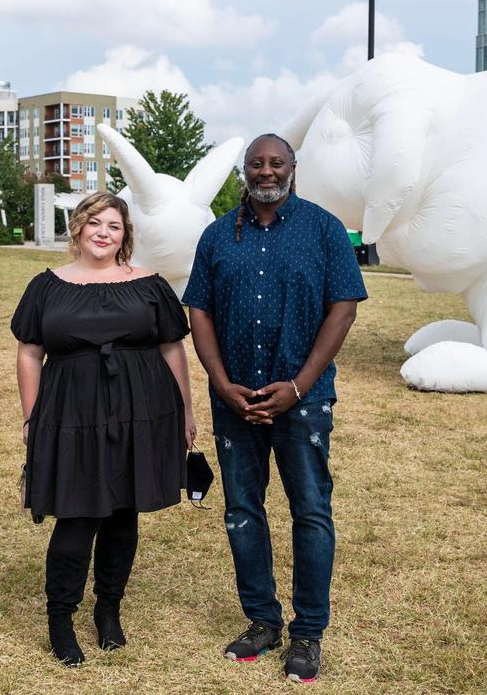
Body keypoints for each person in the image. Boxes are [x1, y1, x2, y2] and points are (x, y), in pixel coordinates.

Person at [182, 134, 367, 684]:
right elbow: (200, 311)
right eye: (257, 163)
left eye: (276, 162)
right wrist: (222, 384)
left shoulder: (324, 229)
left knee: (310, 511)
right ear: (246, 171)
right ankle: (263, 621)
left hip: (301, 401)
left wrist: (299, 385)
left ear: (292, 167)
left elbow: (343, 309)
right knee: (242, 510)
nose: (267, 171)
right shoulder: (218, 236)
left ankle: (308, 632)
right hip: (234, 398)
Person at [11, 192, 197, 666]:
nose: (103, 233)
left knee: (123, 513)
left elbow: (173, 348)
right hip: (71, 413)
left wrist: (186, 412)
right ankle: (61, 618)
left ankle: (108, 611)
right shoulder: (47, 286)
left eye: (113, 226)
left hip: (142, 410)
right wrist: (32, 417)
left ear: (125, 235)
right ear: (77, 227)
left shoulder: (149, 285)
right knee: (77, 516)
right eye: (95, 223)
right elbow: (30, 351)